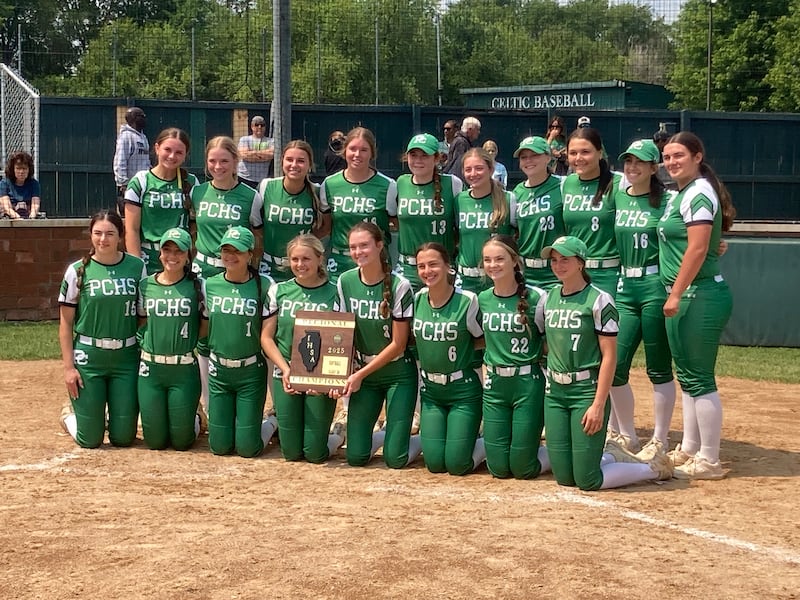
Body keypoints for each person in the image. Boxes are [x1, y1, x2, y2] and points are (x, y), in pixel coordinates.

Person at [541, 235, 672, 490]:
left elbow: (610, 356)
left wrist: (598, 404)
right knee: (564, 478)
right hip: (555, 393)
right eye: (554, 260)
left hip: (584, 392)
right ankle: (612, 455)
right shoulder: (549, 298)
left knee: (588, 480)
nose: (558, 265)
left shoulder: (599, 299)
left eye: (565, 260)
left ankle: (652, 468)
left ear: (581, 263)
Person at [660, 131, 735, 480]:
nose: (671, 162)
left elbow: (698, 248)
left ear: (697, 156)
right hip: (691, 293)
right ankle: (691, 447)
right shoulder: (684, 193)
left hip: (699, 294)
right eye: (667, 156)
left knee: (700, 378)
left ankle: (709, 459)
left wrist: (675, 292)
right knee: (689, 376)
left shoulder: (699, 191)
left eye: (679, 156)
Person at [57, 210, 147, 448]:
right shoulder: (77, 270)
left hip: (126, 358)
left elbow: (142, 317)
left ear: (120, 236)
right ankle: (69, 417)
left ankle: (106, 416)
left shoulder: (137, 267)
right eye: (97, 233)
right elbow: (66, 323)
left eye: (110, 234)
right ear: (90, 235)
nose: (103, 239)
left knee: (123, 439)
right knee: (90, 440)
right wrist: (69, 369)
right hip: (89, 357)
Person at [610, 140, 676, 459]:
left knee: (658, 368)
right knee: (614, 366)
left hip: (654, 286)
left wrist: (720, 242)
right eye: (628, 162)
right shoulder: (618, 195)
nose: (632, 167)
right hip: (625, 286)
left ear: (654, 167)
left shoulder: (668, 200)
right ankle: (627, 435)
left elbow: (694, 230)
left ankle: (660, 439)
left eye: (640, 162)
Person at [337, 222, 420, 468]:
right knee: (356, 456)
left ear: (379, 245)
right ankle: (387, 436)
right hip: (365, 375)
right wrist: (338, 374)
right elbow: (342, 333)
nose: (358, 252)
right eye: (353, 247)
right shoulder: (345, 280)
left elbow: (399, 343)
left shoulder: (399, 285)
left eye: (364, 245)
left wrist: (359, 374)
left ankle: (426, 439)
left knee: (396, 459)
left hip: (397, 374)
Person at [260, 234, 345, 463]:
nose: (300, 264)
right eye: (294, 259)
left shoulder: (336, 292)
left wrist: (329, 379)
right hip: (286, 374)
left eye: (306, 258)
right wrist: (285, 369)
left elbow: (341, 339)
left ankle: (337, 435)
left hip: (320, 379)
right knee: (291, 453)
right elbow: (267, 338)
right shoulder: (279, 290)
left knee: (315, 454)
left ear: (320, 258)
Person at [202, 226, 277, 458]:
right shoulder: (209, 285)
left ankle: (271, 423)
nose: (230, 256)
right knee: (220, 447)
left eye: (237, 251)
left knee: (247, 449)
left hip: (250, 373)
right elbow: (204, 329)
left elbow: (269, 333)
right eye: (226, 250)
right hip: (220, 373)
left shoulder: (265, 285)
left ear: (249, 254)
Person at [479, 235, 550, 479]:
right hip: (496, 385)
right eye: (487, 260)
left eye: (500, 259)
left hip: (527, 383)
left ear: (515, 261)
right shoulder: (482, 299)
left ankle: (563, 452)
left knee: (522, 469)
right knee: (498, 469)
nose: (493, 265)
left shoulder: (537, 298)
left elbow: (548, 342)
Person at [413, 243, 486, 475]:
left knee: (456, 465)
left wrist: (461, 348)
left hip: (462, 391)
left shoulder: (468, 300)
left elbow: (484, 338)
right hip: (432, 392)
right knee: (434, 464)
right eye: (421, 266)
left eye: (433, 264)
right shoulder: (417, 299)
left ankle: (486, 445)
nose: (427, 271)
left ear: (448, 267)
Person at [137, 228, 204, 450]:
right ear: (160, 253)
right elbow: (139, 322)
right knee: (155, 442)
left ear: (188, 256)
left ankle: (196, 418)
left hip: (183, 369)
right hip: (151, 368)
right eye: (167, 250)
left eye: (179, 251)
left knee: (182, 443)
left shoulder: (197, 287)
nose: (172, 256)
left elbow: (204, 327)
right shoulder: (146, 285)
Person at [319, 126, 398, 282]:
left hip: (375, 262)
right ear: (344, 151)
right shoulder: (329, 184)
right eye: (352, 149)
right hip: (339, 263)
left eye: (364, 150)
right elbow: (326, 227)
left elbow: (396, 225)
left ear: (372, 153)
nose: (357, 154)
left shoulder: (388, 185)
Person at [124, 128, 197, 275]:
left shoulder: (192, 182)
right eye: (167, 149)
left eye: (178, 152)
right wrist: (137, 267)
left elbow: (196, 225)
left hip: (179, 259)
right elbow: (131, 229)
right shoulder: (141, 181)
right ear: (157, 148)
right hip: (148, 259)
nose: (172, 156)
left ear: (185, 155)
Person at [395, 133, 462, 291]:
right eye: (413, 155)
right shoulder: (399, 183)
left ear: (436, 158)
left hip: (442, 268)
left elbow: (460, 226)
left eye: (424, 156)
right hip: (408, 268)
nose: (418, 160)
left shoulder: (452, 184)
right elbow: (393, 219)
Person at [190, 136, 264, 280]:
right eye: (212, 161)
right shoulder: (197, 192)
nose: (217, 167)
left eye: (224, 161)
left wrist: (252, 268)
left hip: (235, 270)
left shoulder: (251, 196)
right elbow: (193, 231)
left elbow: (258, 237)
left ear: (235, 161)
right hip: (201, 270)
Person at [561, 127, 621, 297]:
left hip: (609, 273)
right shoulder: (565, 184)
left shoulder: (619, 183)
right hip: (575, 273)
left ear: (599, 153)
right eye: (573, 153)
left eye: (585, 152)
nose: (578, 158)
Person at [258, 140, 330, 283]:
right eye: (289, 159)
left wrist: (306, 245)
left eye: (301, 161)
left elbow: (326, 227)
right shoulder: (266, 186)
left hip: (302, 267)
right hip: (269, 266)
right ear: (282, 161)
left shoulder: (317, 191)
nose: (294, 165)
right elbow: (256, 226)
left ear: (310, 165)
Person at [455, 148, 517, 295]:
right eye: (468, 169)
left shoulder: (508, 199)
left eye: (479, 168)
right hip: (465, 280)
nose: (473, 174)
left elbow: (517, 237)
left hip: (496, 278)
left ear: (490, 169)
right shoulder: (459, 200)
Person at [512, 136, 565, 290]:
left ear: (548, 157)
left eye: (535, 155)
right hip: (526, 272)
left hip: (556, 271)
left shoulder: (562, 185)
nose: (528, 161)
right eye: (524, 157)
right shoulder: (516, 193)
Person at [113, 107, 150, 215]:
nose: (144, 119)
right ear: (134, 118)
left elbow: (146, 160)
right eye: (142, 116)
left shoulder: (143, 137)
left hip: (143, 185)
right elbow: (120, 161)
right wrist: (123, 184)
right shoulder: (126, 137)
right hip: (129, 186)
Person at [0, 151, 40, 219]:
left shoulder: (34, 184)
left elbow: (35, 205)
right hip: (9, 220)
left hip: (28, 219)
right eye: (18, 168)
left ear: (29, 170)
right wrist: (17, 218)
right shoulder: (4, 183)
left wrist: (32, 217)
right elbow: (6, 207)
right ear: (13, 169)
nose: (21, 172)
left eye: (24, 169)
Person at [237, 115, 274, 188]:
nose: (259, 127)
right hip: (244, 178)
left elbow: (271, 155)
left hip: (262, 180)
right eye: (256, 125)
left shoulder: (271, 141)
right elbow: (244, 156)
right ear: (252, 126)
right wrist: (263, 155)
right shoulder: (244, 139)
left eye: (262, 125)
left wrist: (252, 153)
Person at [653, 126, 677, 191]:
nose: (669, 142)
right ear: (661, 141)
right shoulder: (652, 151)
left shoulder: (667, 150)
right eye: (667, 140)